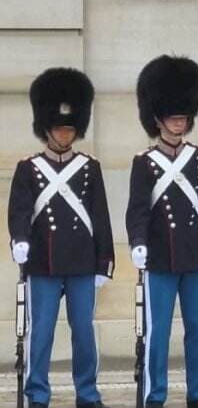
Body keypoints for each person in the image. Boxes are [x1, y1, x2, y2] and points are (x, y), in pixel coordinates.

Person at [8, 67, 115, 408]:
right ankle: (37, 393)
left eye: (70, 128)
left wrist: (104, 262)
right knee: (42, 334)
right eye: (59, 128)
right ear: (47, 129)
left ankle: (88, 393)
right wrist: (19, 239)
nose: (65, 134)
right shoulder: (29, 168)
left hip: (82, 264)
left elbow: (100, 216)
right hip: (44, 263)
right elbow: (19, 210)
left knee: (84, 333)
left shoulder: (88, 167)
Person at [126, 55, 198, 408]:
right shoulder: (144, 162)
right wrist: (137, 243)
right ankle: (156, 395)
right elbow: (137, 210)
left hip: (194, 259)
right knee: (158, 334)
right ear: (158, 119)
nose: (179, 123)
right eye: (173, 117)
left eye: (183, 117)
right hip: (160, 260)